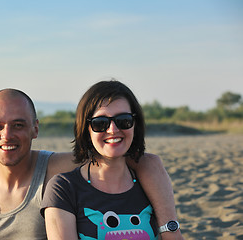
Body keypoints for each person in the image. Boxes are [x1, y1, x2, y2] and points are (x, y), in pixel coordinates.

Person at [0, 88, 181, 240]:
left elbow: (139, 159)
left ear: (35, 128)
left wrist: (169, 228)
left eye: (18, 125)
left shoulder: (58, 168)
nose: (7, 135)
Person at [41, 80, 182, 240]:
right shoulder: (63, 188)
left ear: (135, 125)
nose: (113, 130)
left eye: (123, 120)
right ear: (86, 130)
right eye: (100, 123)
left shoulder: (151, 180)